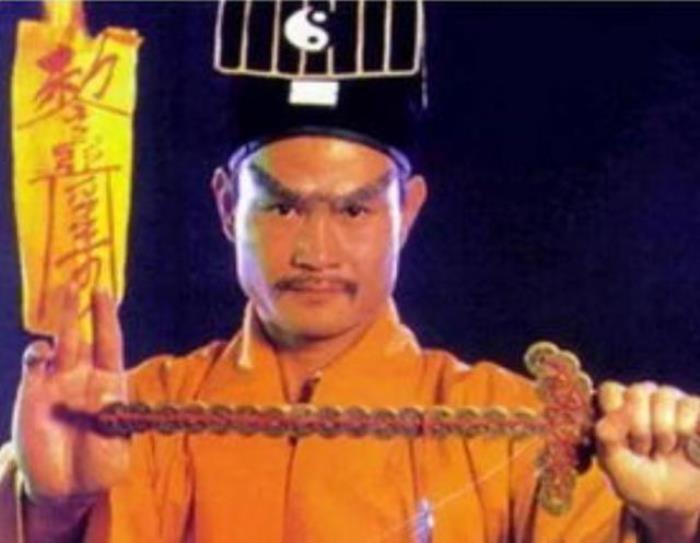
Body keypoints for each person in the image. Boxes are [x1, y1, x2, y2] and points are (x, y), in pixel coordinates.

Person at [3, 2, 700, 542]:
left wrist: (676, 524)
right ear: (225, 205)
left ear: (408, 212)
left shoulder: (521, 431)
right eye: (281, 206)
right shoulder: (130, 418)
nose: (316, 250)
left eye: (355, 209)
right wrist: (51, 512)